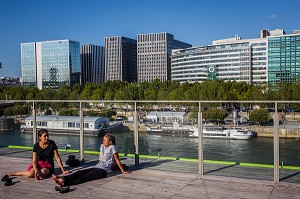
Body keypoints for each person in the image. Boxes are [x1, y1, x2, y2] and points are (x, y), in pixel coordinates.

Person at [52, 133, 129, 187]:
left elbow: (117, 159)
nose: (103, 141)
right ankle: (63, 178)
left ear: (110, 142)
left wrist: (122, 171)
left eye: (105, 140)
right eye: (103, 140)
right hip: (97, 166)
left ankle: (64, 183)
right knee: (80, 172)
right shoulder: (102, 146)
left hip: (103, 171)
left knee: (85, 177)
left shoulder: (112, 147)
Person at [3, 129, 68, 180]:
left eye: (47, 136)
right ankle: (15, 173)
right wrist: (36, 169)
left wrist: (63, 170)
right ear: (40, 137)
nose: (47, 138)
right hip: (39, 164)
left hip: (48, 166)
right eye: (45, 136)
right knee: (30, 174)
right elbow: (34, 161)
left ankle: (37, 174)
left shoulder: (52, 144)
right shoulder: (36, 146)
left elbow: (57, 157)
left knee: (43, 172)